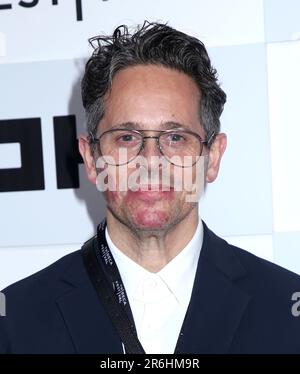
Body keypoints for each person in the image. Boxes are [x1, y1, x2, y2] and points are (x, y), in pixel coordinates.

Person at [1, 21, 300, 354]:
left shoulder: (287, 310)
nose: (151, 161)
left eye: (175, 138)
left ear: (212, 158)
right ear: (91, 157)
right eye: (127, 138)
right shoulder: (16, 320)